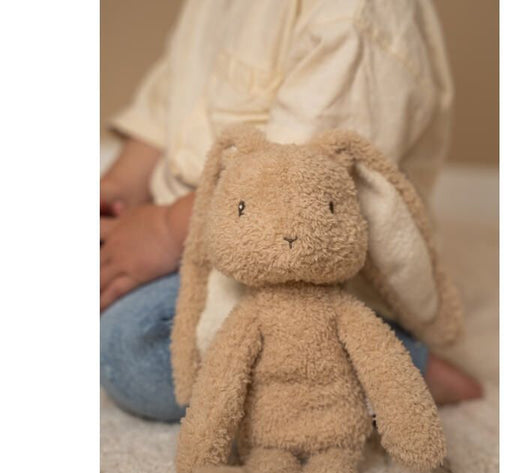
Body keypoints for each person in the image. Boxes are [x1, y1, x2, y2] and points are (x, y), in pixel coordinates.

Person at [100, 0, 482, 422]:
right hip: (194, 231)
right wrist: (117, 188)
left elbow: (299, 186)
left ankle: (388, 361)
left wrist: (164, 229)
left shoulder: (355, 15)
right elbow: (165, 107)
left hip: (302, 270)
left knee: (130, 348)